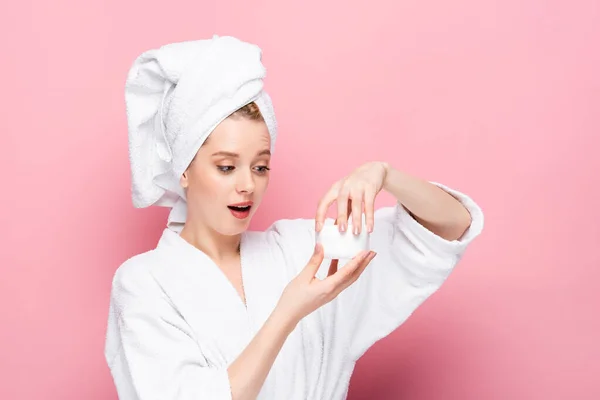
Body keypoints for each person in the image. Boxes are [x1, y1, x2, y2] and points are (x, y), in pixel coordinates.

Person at [104, 35, 484, 400]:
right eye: (226, 167)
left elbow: (449, 227)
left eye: (261, 167)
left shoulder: (303, 251)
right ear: (184, 170)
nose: (247, 185)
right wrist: (289, 311)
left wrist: (385, 174)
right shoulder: (144, 284)